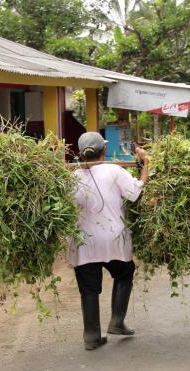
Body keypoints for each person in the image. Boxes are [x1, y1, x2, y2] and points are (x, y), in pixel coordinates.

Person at [68, 131, 148, 350]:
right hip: (114, 239)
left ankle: (92, 336)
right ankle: (117, 321)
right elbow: (135, 193)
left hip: (84, 242)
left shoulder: (71, 177)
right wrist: (146, 165)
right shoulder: (114, 170)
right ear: (103, 151)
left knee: (89, 289)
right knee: (124, 273)